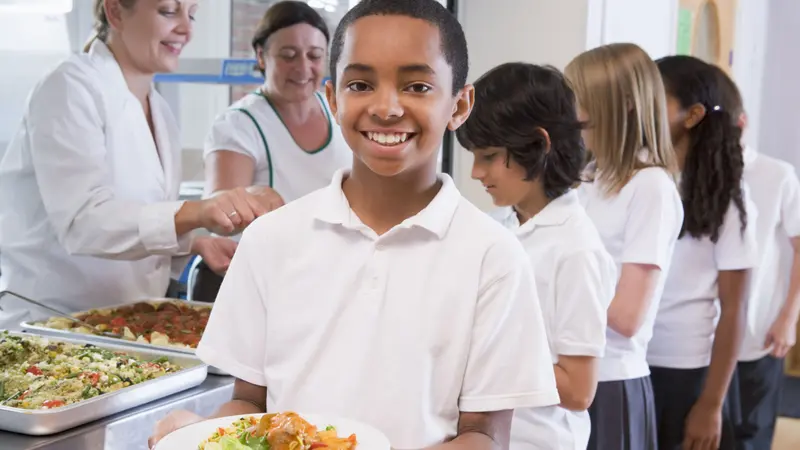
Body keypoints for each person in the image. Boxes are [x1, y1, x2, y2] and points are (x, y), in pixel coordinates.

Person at [150, 0, 560, 448]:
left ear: (459, 105)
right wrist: (205, 437)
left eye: (418, 86)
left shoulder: (493, 257)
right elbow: (248, 405)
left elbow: (484, 435)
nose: (386, 108)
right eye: (361, 84)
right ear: (332, 98)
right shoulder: (271, 240)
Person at [0, 0, 273, 320]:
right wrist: (198, 212)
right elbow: (83, 224)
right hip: (52, 322)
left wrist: (191, 244)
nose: (186, 29)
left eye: (192, 14)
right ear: (115, 12)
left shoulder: (160, 112)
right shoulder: (69, 87)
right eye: (169, 11)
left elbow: (135, 224)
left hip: (127, 323)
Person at [456, 62, 616, 450]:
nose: (476, 172)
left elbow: (579, 390)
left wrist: (485, 349)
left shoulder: (576, 250)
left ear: (539, 145)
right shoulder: (498, 226)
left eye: (490, 156)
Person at [564, 43, 684, 450]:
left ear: (624, 106)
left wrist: (552, 288)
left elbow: (628, 316)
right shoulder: (589, 178)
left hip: (613, 380)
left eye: (581, 101)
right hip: (570, 372)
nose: (573, 114)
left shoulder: (651, 187)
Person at [191, 1, 352, 301]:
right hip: (257, 285)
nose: (303, 68)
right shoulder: (238, 125)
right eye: (289, 56)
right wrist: (251, 198)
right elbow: (220, 217)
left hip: (327, 280)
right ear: (261, 56)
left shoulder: (340, 114)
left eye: (315, 56)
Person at [646, 55, 758, 450]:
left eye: (655, 101)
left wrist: (712, 403)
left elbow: (734, 309)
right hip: (629, 362)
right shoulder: (643, 179)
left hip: (685, 371)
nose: (642, 111)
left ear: (692, 115)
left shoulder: (726, 196)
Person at [713, 68, 800, 450]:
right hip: (700, 337)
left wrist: (789, 317)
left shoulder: (777, 175)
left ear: (741, 122)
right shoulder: (688, 175)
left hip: (759, 332)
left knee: (750, 438)